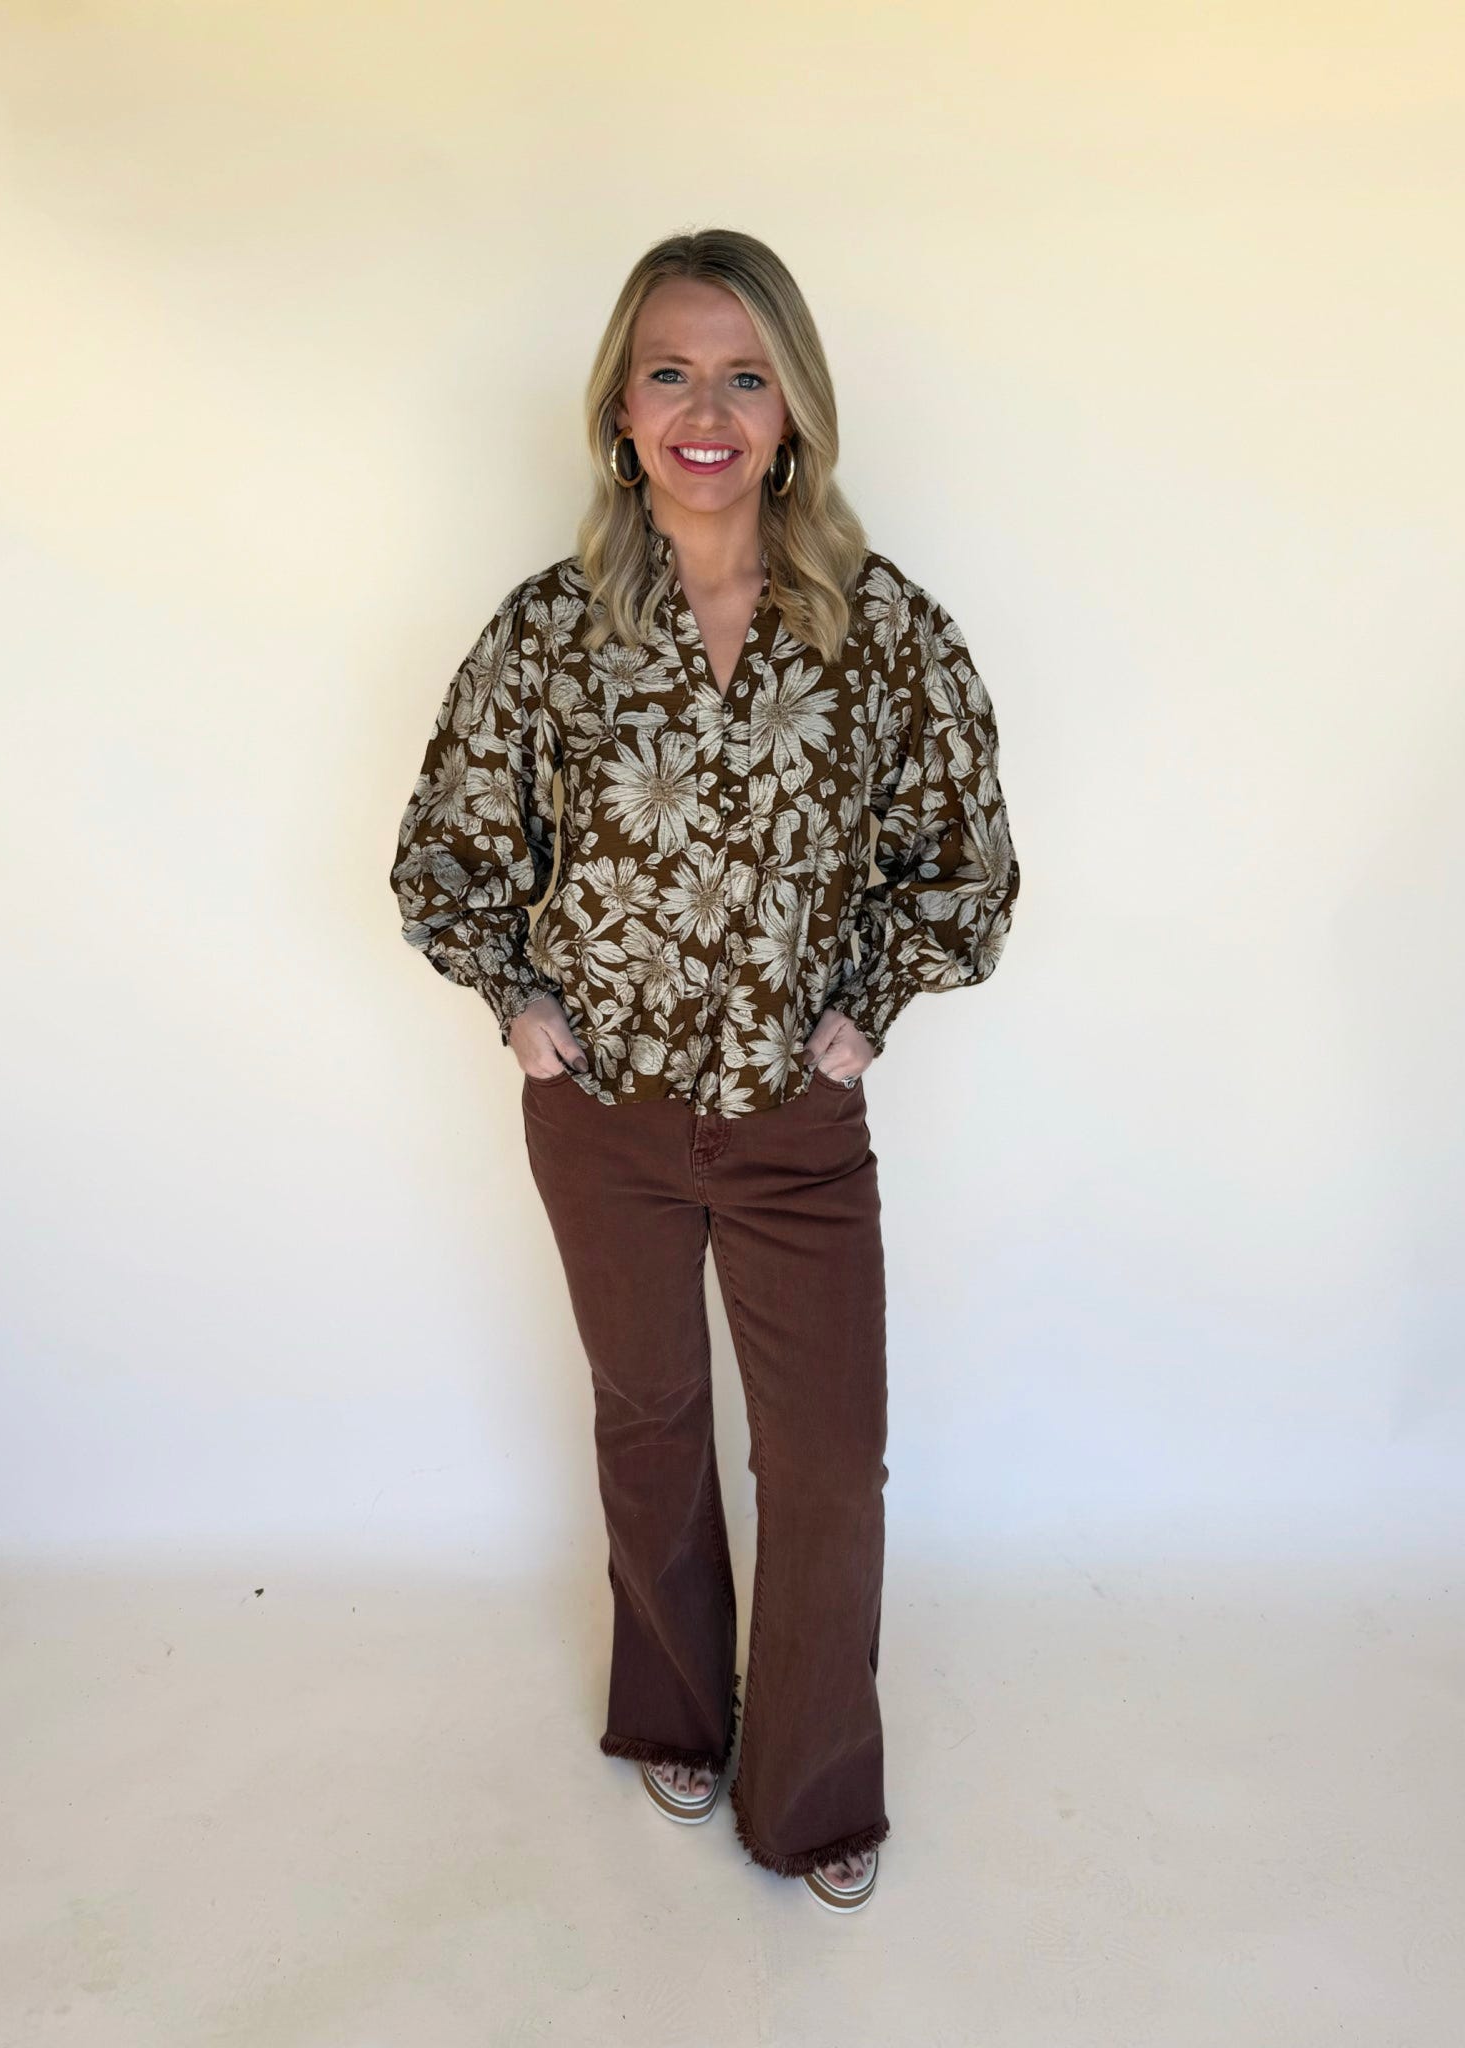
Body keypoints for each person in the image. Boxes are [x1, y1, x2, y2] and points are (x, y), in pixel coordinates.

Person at [389, 227, 1020, 1912]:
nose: (707, 409)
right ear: (619, 406)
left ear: (795, 408)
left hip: (794, 1119)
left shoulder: (880, 634)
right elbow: (443, 858)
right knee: (651, 1415)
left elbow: (965, 866)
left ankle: (807, 1788)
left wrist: (865, 1011)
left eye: (746, 373)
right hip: (600, 1117)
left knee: (825, 1454)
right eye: (670, 370)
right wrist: (519, 1006)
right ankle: (672, 1699)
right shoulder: (549, 634)